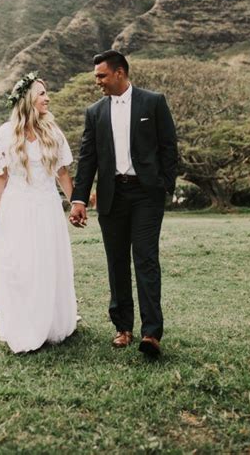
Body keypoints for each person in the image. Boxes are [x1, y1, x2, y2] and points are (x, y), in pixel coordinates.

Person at [70, 50, 178, 357]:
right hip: (111, 196)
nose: (98, 82)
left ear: (120, 73)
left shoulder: (153, 102)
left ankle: (151, 333)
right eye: (96, 77)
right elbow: (88, 158)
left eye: (102, 76)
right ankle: (123, 328)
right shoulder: (94, 112)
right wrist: (79, 198)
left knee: (145, 259)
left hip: (146, 195)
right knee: (116, 262)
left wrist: (164, 186)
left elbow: (169, 147)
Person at [0, 71, 77, 353]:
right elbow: (0, 177)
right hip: (17, 209)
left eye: (46, 93)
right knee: (20, 267)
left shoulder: (53, 132)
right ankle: (23, 325)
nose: (47, 98)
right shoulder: (5, 134)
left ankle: (50, 324)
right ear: (27, 100)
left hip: (47, 208)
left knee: (48, 265)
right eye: (41, 94)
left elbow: (62, 173)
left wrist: (76, 204)